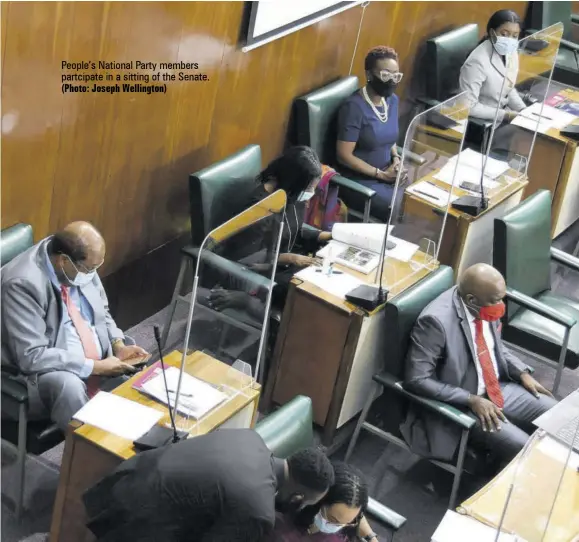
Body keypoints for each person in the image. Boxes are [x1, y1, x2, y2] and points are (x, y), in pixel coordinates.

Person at [401, 263, 557, 464]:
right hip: (463, 403)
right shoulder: (435, 322)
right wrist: (470, 399)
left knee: (561, 417)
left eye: (502, 297)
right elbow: (416, 379)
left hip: (497, 387)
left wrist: (522, 373)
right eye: (496, 300)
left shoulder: (484, 304)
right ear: (471, 299)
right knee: (522, 449)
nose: (501, 305)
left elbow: (496, 347)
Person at [1, 221, 148, 430]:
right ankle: (86, 451)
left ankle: (134, 442)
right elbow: (32, 357)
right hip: (33, 373)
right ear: (63, 261)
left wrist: (118, 344)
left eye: (96, 268)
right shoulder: (21, 284)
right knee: (67, 386)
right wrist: (94, 366)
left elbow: (102, 312)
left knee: (136, 357)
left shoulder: (80, 264)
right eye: (90, 269)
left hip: (91, 359)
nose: (93, 274)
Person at [83, 429, 335, 542]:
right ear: (297, 497)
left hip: (128, 476)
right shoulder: (259, 511)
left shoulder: (250, 438)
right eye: (306, 504)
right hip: (138, 520)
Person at [224, 146, 332, 306]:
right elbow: (251, 258)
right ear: (293, 181)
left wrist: (325, 235)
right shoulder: (258, 210)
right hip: (255, 274)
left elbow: (293, 228)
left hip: (280, 267)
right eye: (309, 188)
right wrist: (291, 258)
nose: (312, 192)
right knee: (306, 295)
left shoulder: (291, 196)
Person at [336, 46, 405, 223]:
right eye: (385, 75)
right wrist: (380, 175)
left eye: (396, 76)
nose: (391, 81)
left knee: (418, 199)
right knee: (401, 207)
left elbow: (389, 137)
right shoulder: (354, 107)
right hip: (359, 181)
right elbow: (344, 155)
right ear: (369, 75)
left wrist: (396, 159)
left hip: (388, 173)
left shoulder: (392, 101)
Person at [269, 462, 380, 542]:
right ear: (317, 500)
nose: (338, 527)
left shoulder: (345, 517)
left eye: (349, 521)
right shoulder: (280, 528)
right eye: (333, 520)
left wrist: (371, 537)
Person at [459, 10, 526, 124]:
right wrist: (506, 116)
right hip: (482, 123)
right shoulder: (476, 62)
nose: (509, 40)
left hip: (504, 116)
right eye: (504, 34)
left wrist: (523, 110)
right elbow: (468, 107)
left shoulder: (511, 51)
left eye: (515, 36)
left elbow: (508, 88)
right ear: (492, 32)